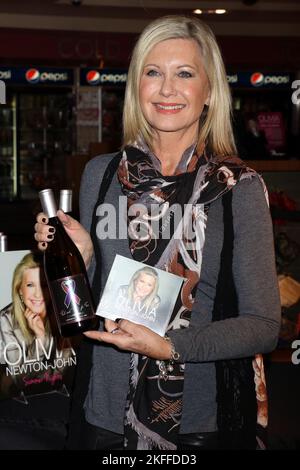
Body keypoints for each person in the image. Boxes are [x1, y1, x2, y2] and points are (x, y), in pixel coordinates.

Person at [34, 15, 281, 450]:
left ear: (209, 91)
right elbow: (93, 302)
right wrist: (84, 255)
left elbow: (263, 326)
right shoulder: (102, 174)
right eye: (153, 72)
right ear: (137, 87)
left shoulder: (237, 187)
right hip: (103, 411)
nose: (167, 89)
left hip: (198, 423)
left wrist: (169, 346)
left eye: (184, 74)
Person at [0, 252, 76, 449]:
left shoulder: (68, 315)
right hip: (19, 416)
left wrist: (44, 337)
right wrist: (40, 342)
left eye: (43, 285)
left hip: (67, 416)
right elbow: (18, 380)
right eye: (30, 285)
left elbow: (64, 373)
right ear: (19, 291)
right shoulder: (5, 321)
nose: (37, 294)